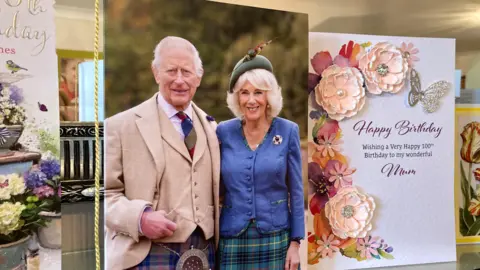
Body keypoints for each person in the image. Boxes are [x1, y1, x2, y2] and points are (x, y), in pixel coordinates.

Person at [104, 36, 220, 270]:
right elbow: (102, 195)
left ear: (199, 77)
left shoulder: (213, 128)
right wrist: (139, 218)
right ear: (156, 73)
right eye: (171, 71)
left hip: (205, 252)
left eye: (186, 72)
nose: (179, 80)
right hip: (145, 254)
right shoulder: (120, 126)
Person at [215, 44, 305, 269]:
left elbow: (296, 191)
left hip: (276, 237)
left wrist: (295, 243)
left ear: (269, 96)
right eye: (244, 93)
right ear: (237, 98)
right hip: (232, 237)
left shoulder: (288, 131)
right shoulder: (222, 132)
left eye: (258, 92)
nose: (251, 100)